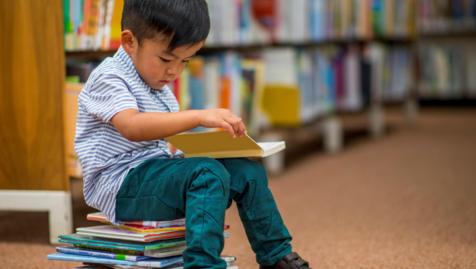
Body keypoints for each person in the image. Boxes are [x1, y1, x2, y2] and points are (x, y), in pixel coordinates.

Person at [75, 1, 311, 268]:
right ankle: (202, 265)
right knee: (206, 174)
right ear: (129, 41)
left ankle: (276, 256)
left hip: (154, 173)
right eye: (166, 59)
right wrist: (198, 116)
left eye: (185, 61)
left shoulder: (156, 81)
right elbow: (132, 126)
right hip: (119, 186)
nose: (174, 71)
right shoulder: (109, 77)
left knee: (247, 172)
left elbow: (162, 143)